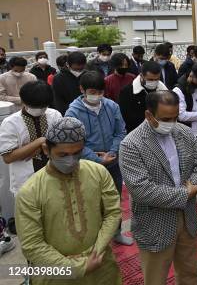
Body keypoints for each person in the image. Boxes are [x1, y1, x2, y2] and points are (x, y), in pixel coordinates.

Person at [15, 117, 123, 284]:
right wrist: (77, 267)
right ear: (46, 149)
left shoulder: (98, 172)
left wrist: (96, 251)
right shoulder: (30, 192)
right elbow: (32, 245)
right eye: (63, 154)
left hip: (101, 266)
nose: (71, 160)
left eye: (76, 153)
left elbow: (113, 213)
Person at [119, 91, 197, 285]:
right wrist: (186, 193)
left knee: (190, 274)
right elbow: (141, 189)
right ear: (149, 115)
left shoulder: (183, 132)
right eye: (166, 119)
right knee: (155, 279)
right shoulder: (131, 144)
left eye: (175, 117)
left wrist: (192, 185)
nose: (171, 123)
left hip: (187, 218)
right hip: (155, 222)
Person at [65, 71, 131, 246]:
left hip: (113, 161)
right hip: (87, 164)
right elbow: (75, 142)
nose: (97, 96)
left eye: (100, 92)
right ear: (82, 89)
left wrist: (112, 152)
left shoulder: (111, 106)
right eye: (93, 92)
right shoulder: (72, 112)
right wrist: (96, 158)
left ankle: (116, 232)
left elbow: (120, 132)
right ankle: (94, 239)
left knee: (114, 198)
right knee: (90, 202)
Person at [0, 81, 61, 194]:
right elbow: (8, 157)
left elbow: (61, 144)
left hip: (54, 174)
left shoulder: (54, 115)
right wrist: (40, 141)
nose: (40, 110)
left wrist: (30, 149)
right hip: (25, 180)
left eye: (43, 107)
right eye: (34, 106)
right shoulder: (11, 123)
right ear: (23, 101)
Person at [118, 61, 166, 133]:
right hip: (137, 133)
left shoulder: (163, 90)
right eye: (150, 79)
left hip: (160, 131)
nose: (154, 82)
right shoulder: (127, 92)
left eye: (157, 79)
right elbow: (127, 118)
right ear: (141, 76)